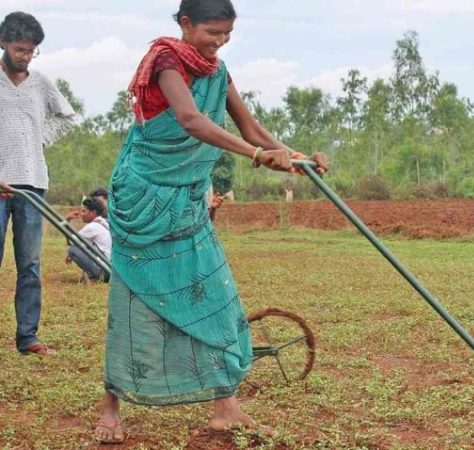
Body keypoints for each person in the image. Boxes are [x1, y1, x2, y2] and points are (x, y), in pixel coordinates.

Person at [93, 0, 328, 444]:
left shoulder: (217, 71)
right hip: (144, 198)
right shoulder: (165, 60)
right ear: (185, 24)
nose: (219, 42)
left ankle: (226, 406)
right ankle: (111, 404)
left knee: (213, 294)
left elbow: (252, 127)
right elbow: (191, 120)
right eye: (212, 33)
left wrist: (296, 157)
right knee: (135, 304)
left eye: (226, 35)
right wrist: (258, 156)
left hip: (186, 200)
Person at [0, 11, 75, 357]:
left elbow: (68, 116)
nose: (25, 56)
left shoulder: (41, 83)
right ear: (3, 44)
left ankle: (27, 338)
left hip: (31, 184)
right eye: (19, 50)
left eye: (31, 51)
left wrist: (38, 138)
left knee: (29, 263)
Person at [65, 197, 111, 282]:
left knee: (73, 250)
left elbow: (71, 242)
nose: (81, 214)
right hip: (111, 269)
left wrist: (67, 220)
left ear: (93, 213)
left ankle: (95, 277)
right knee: (81, 246)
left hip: (105, 271)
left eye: (84, 211)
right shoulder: (104, 223)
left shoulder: (92, 227)